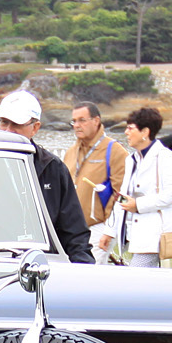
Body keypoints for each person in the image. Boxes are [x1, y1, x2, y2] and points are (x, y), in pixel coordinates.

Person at [0, 89, 92, 263]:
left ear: (35, 127)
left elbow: (74, 230)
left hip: (44, 264)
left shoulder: (53, 168)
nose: (8, 130)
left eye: (16, 124)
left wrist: (84, 269)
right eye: (3, 122)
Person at [97, 106, 172, 267]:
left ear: (145, 132)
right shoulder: (131, 160)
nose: (126, 132)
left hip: (155, 236)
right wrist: (109, 232)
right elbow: (122, 198)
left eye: (130, 128)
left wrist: (138, 205)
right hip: (134, 236)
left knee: (135, 280)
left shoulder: (166, 157)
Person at [63, 101, 127, 261]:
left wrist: (108, 230)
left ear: (96, 121)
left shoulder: (115, 151)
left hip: (98, 225)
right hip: (72, 229)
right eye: (74, 121)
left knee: (91, 273)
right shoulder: (70, 152)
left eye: (82, 120)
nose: (77, 125)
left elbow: (122, 194)